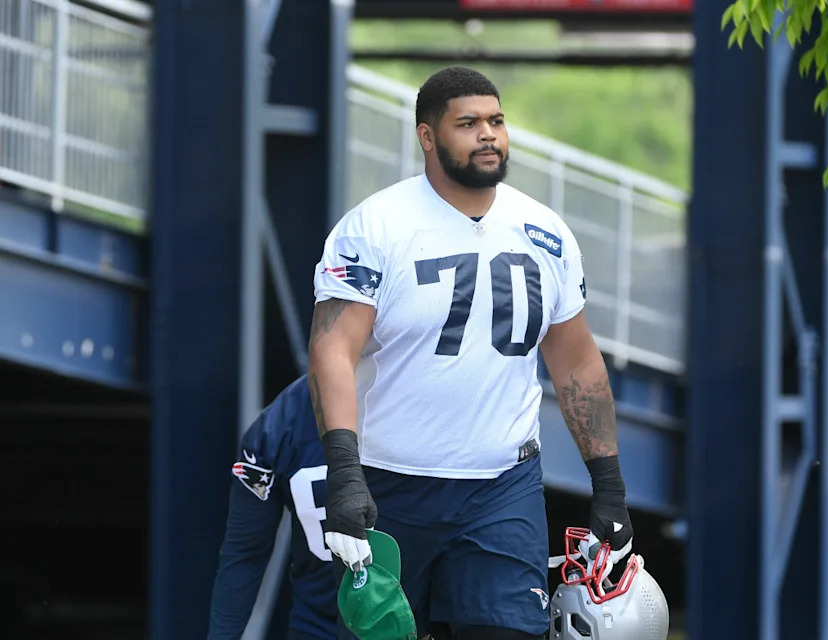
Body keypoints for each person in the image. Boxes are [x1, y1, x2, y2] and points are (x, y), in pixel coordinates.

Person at [308, 66, 634, 640]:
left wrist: (608, 483)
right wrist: (344, 472)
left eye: (497, 120)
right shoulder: (375, 227)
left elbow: (577, 361)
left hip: (502, 487)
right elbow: (333, 347)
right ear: (427, 137)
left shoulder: (546, 232)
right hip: (392, 487)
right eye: (468, 123)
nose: (489, 134)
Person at [208, 375, 339, 640]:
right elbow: (245, 551)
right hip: (320, 625)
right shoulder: (278, 425)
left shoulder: (424, 401)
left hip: (413, 624)